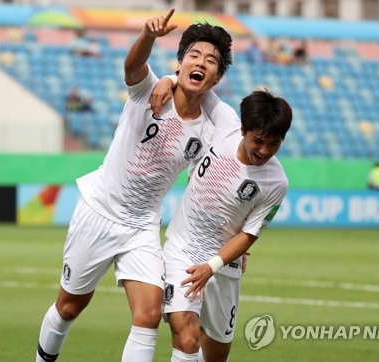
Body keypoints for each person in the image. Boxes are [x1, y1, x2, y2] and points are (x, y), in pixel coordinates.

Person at [35, 9, 233, 362]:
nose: (201, 62)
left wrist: (235, 237)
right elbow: (132, 67)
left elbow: (213, 186)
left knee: (149, 315)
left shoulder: (208, 130)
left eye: (211, 60)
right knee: (69, 306)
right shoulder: (149, 90)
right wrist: (147, 36)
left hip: (141, 226)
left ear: (216, 78)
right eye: (194, 55)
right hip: (99, 210)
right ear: (180, 62)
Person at [159, 88, 292, 361]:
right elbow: (195, 86)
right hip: (182, 250)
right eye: (259, 140)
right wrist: (170, 79)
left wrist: (213, 266)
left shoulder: (276, 183)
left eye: (275, 143)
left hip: (223, 264)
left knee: (216, 355)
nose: (264, 151)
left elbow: (249, 235)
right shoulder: (226, 122)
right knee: (186, 337)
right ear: (243, 129)